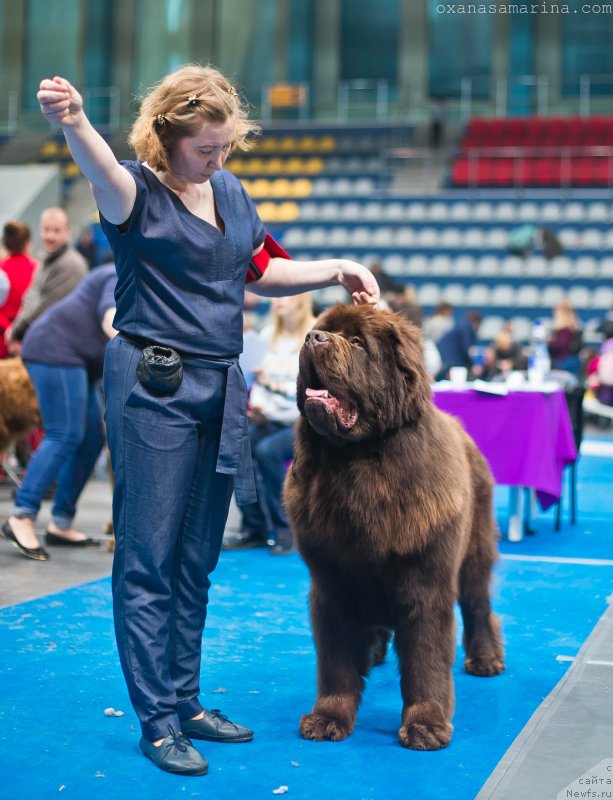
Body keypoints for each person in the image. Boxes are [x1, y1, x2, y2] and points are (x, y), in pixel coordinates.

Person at [36, 66, 379, 777]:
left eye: (226, 146)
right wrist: (73, 121)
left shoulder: (228, 190)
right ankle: (156, 720)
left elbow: (258, 270)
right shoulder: (132, 190)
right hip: (152, 388)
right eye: (206, 148)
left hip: (218, 386)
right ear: (167, 138)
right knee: (147, 561)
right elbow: (99, 164)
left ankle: (186, 700)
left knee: (197, 558)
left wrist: (334, 268)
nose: (219, 159)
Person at [0, 263, 118, 560]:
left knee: (91, 440)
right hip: (55, 350)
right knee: (64, 433)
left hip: (80, 361)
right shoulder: (118, 273)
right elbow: (110, 317)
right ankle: (21, 516)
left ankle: (60, 522)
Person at [224, 293, 315, 555]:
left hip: (304, 423)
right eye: (276, 296)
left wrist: (275, 387)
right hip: (271, 418)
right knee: (237, 446)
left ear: (302, 298)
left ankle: (285, 527)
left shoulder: (315, 333)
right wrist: (258, 407)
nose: (279, 300)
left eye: (286, 295)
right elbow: (255, 379)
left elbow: (314, 388)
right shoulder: (266, 336)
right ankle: (253, 527)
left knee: (267, 451)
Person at [4, 207, 87, 355]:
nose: (50, 236)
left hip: (60, 351)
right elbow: (30, 298)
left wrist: (16, 333)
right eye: (46, 230)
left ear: (67, 232)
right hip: (40, 345)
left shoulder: (70, 265)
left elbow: (45, 307)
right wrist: (15, 331)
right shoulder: (45, 261)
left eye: (56, 231)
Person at [0, 221, 37, 358]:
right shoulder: (38, 270)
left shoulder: (1, 268)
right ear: (27, 243)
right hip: (27, 341)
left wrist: (8, 330)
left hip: (3, 343)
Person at [436, 310, 482, 379]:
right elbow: (466, 349)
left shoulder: (461, 326)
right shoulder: (466, 328)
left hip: (444, 359)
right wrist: (473, 366)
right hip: (450, 363)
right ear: (476, 322)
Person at [548, 298, 583, 376]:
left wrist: (550, 342)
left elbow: (562, 345)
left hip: (564, 364)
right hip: (571, 362)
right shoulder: (574, 327)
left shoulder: (565, 330)